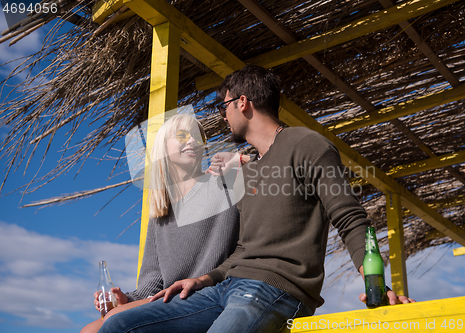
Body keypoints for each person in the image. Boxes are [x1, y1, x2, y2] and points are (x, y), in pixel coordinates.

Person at [99, 65, 414, 333]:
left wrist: (377, 284)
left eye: (223, 106)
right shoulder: (246, 175)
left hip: (276, 289)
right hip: (224, 288)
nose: (223, 116)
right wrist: (202, 279)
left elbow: (349, 217)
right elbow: (243, 250)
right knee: (117, 326)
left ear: (243, 103)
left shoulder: (306, 144)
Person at [81, 113, 240, 332]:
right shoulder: (161, 212)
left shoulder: (223, 185)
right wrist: (125, 299)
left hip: (209, 294)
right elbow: (153, 280)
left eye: (197, 136)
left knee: (115, 321)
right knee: (88, 330)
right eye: (182, 135)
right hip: (168, 299)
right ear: (164, 148)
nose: (192, 141)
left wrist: (239, 163)